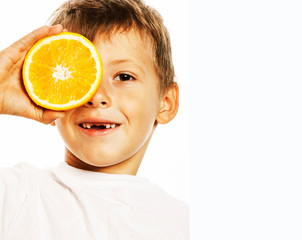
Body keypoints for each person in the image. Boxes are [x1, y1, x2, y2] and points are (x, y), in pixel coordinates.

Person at [0, 0, 189, 239]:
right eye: (75, 76)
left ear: (166, 103)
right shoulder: (15, 195)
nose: (97, 96)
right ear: (50, 94)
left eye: (123, 76)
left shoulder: (184, 224)